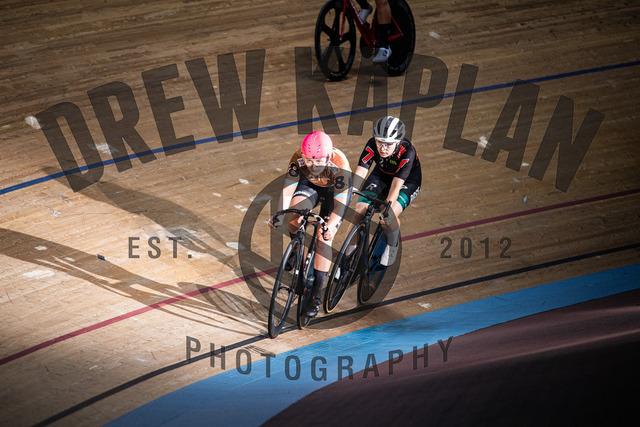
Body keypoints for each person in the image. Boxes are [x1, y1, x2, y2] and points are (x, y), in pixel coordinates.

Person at [268, 131, 352, 317]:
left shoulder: (339, 165)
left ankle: (315, 293)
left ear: (328, 157)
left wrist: (330, 226)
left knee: (323, 238)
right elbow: (288, 190)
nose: (313, 166)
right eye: (309, 161)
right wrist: (279, 214)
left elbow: (340, 206)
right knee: (294, 214)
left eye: (318, 161)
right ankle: (296, 249)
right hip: (311, 185)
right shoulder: (298, 158)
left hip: (334, 193)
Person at [352, 116, 421, 266]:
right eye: (379, 142)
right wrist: (352, 189)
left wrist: (387, 208)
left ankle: (392, 244)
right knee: (359, 212)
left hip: (407, 181)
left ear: (397, 142)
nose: (382, 148)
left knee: (388, 217)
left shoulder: (408, 151)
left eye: (388, 144)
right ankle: (347, 255)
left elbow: (396, 185)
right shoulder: (372, 143)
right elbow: (362, 170)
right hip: (381, 175)